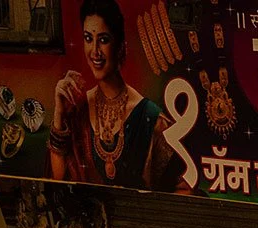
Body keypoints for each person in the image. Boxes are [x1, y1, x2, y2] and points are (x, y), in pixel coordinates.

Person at [47, 0, 184, 189]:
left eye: (103, 40)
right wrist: (59, 114)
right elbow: (58, 181)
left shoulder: (148, 118)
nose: (95, 52)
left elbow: (181, 189)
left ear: (119, 45)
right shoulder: (79, 111)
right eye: (88, 38)